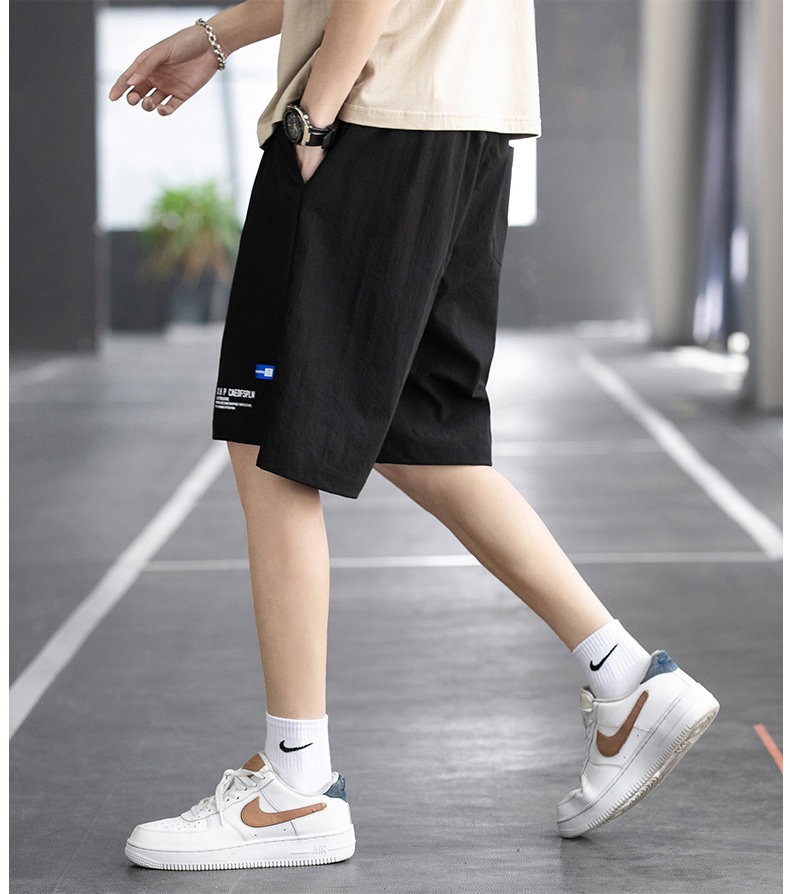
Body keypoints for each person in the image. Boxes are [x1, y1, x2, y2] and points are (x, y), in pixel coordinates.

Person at [109, 0, 719, 871]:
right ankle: (625, 677)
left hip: (374, 117)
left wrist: (313, 118)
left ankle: (295, 785)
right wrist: (215, 38)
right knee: (421, 430)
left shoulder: (341, 117)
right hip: (467, 121)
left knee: (268, 436)